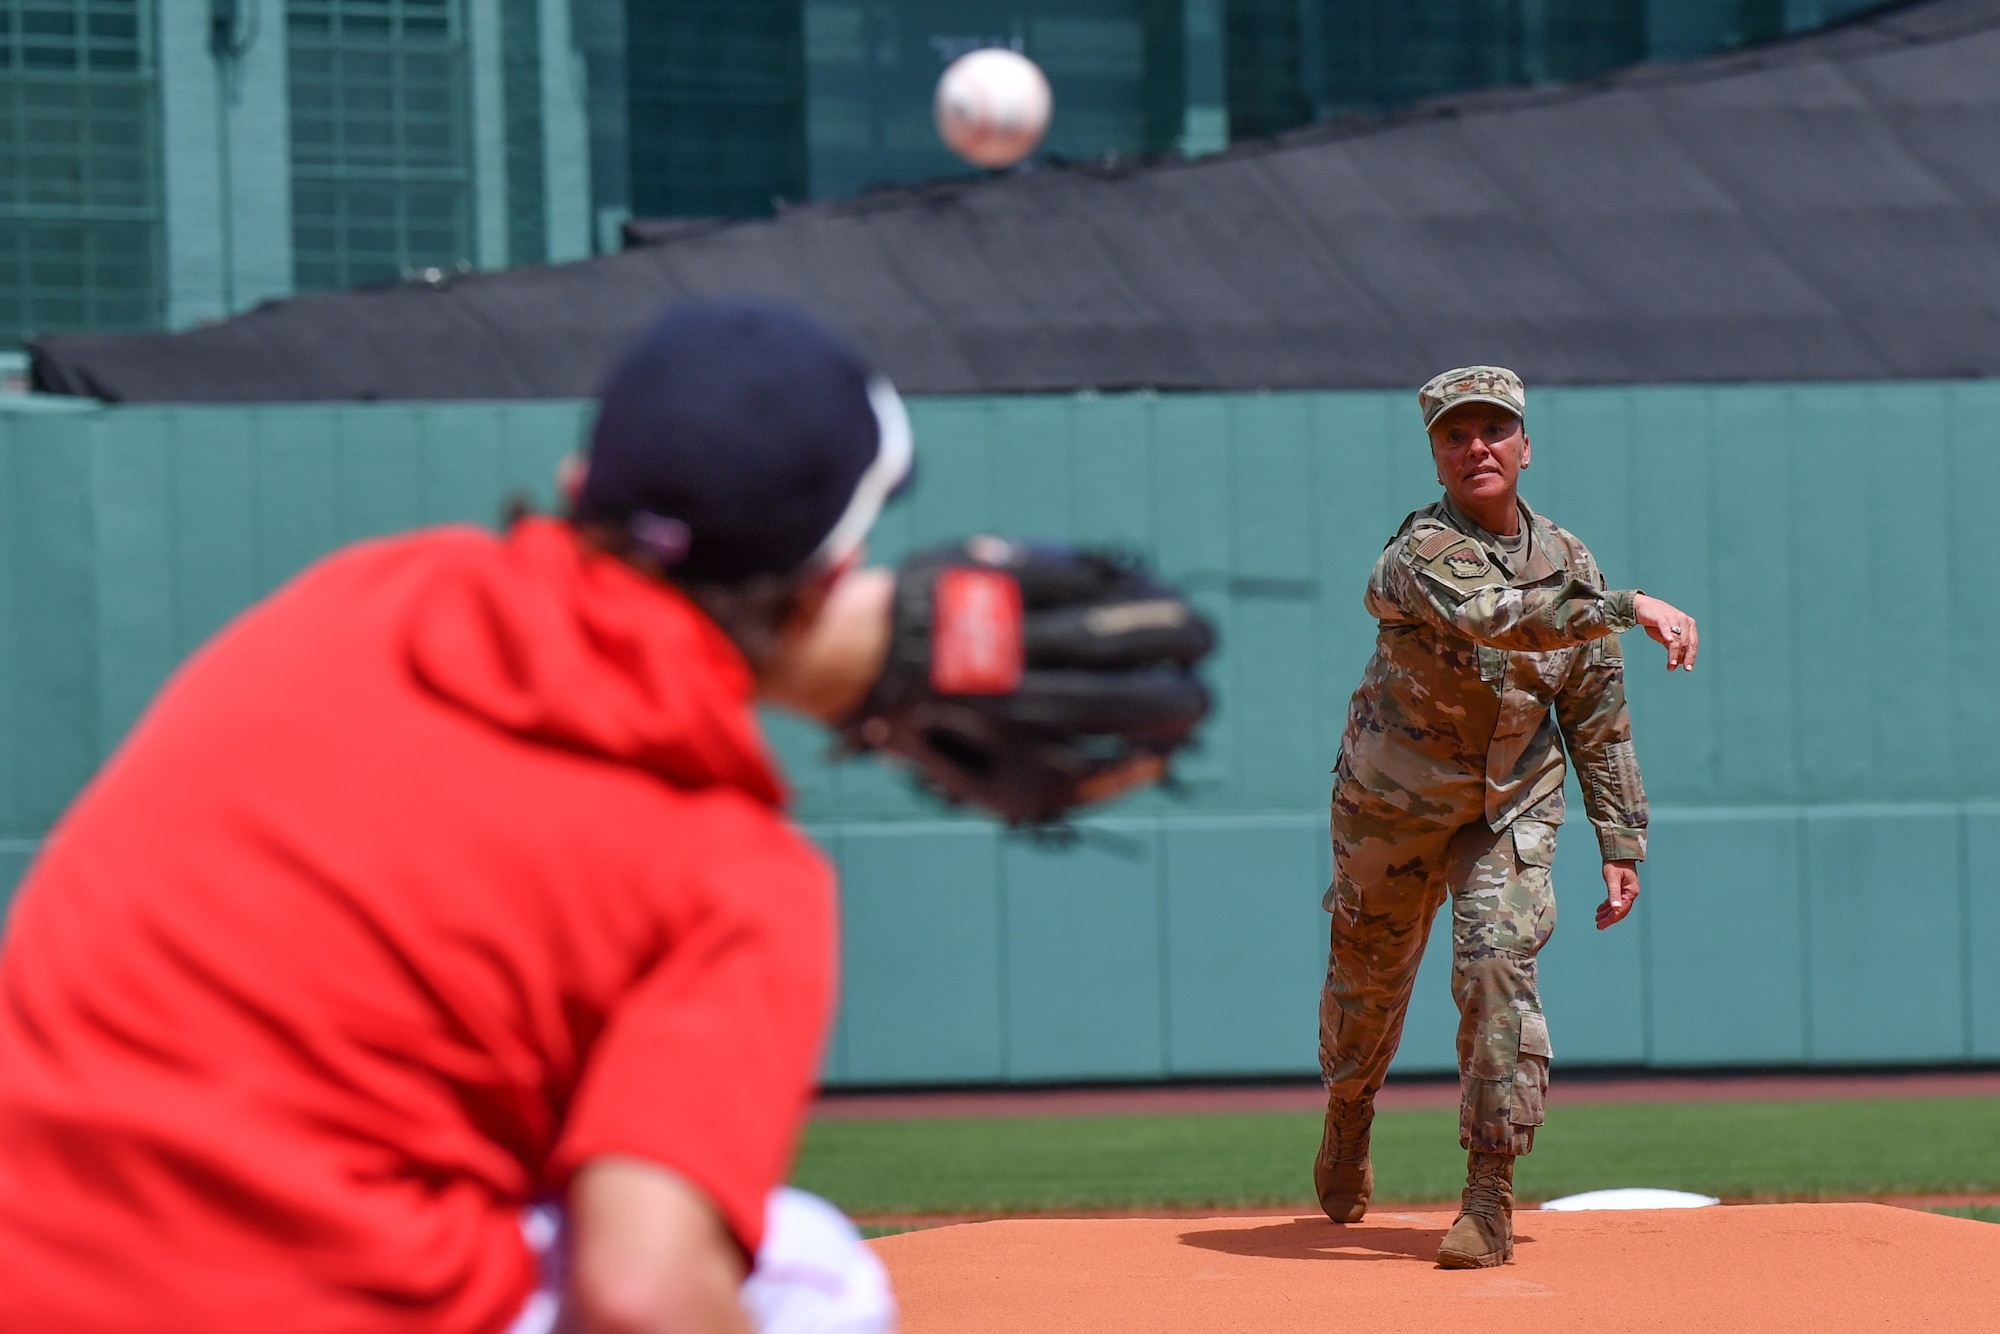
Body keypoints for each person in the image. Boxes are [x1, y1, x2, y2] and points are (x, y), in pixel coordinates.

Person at [0, 300, 915, 1333]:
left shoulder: (359, 598)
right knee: (813, 1274)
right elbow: (640, 1294)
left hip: (30, 1275)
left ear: (580, 490)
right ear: (825, 584)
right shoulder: (733, 867)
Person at [1312, 365, 1700, 1269]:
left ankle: (1487, 1196)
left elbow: (1596, 711)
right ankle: (1349, 1108)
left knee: (1496, 969)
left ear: (1525, 447)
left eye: (1494, 430)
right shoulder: (1416, 556)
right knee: (1368, 987)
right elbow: (1496, 615)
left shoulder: (1570, 561)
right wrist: (1625, 605)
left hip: (1511, 803)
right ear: (1437, 456)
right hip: (1393, 805)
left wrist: (1620, 837)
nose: (1476, 446)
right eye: (1456, 435)